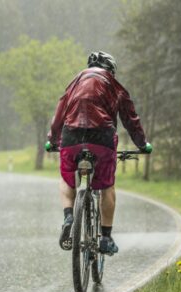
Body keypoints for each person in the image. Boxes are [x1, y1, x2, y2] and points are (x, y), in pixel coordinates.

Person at [46, 51, 152, 255]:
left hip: (71, 136)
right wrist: (141, 144)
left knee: (68, 180)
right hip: (101, 137)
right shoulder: (115, 85)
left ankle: (69, 217)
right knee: (107, 186)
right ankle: (105, 237)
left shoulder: (74, 83)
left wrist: (52, 140)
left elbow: (59, 114)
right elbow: (131, 120)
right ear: (111, 70)